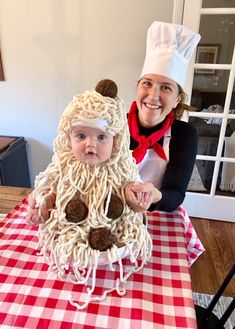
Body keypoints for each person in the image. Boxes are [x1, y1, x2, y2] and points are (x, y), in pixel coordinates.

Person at [27, 79, 152, 308]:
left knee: (120, 221)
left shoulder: (121, 167)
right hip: (70, 236)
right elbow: (52, 191)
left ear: (116, 140)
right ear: (68, 137)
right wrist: (42, 205)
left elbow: (133, 193)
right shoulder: (65, 166)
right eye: (81, 136)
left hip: (115, 236)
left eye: (101, 137)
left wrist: (135, 196)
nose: (90, 145)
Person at [124, 21, 201, 213]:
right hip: (113, 212)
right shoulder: (115, 125)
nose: (153, 95)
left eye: (166, 87)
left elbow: (175, 193)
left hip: (158, 214)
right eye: (147, 83)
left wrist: (154, 195)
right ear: (137, 87)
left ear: (177, 99)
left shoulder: (184, 134)